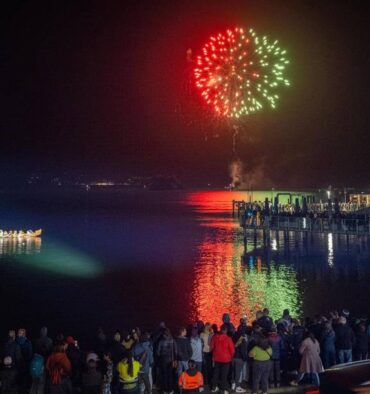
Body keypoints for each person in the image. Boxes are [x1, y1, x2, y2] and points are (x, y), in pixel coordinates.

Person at [210, 326, 234, 393]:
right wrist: (230, 357)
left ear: (221, 330)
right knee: (224, 375)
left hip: (217, 359)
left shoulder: (215, 337)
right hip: (226, 360)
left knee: (216, 373)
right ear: (226, 330)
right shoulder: (228, 339)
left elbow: (211, 347)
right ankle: (223, 390)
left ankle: (214, 387)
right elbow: (232, 350)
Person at [157, 328, 176, 394]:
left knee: (164, 375)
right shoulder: (172, 340)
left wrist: (161, 356)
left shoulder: (161, 341)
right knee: (170, 375)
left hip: (163, 360)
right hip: (171, 360)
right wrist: (174, 360)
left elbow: (158, 352)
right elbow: (175, 351)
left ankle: (165, 390)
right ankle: (170, 390)